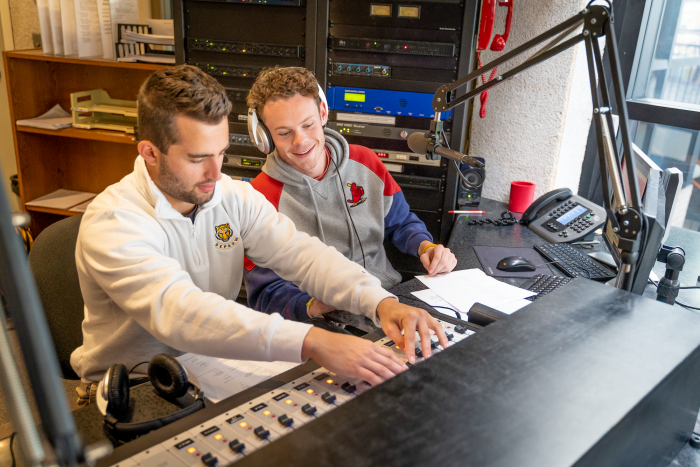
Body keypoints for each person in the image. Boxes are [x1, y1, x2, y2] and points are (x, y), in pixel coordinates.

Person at [70, 65, 448, 406]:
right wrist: (311, 341)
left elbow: (303, 255)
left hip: (213, 369)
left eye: (220, 153)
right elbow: (180, 312)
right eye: (198, 158)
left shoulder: (232, 196)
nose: (215, 174)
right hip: (133, 388)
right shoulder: (114, 223)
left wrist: (380, 302)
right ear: (150, 153)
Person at [243, 67, 457, 321]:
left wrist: (426, 246)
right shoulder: (256, 199)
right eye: (284, 133)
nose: (300, 140)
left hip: (389, 298)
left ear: (323, 113)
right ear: (264, 137)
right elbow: (265, 293)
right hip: (322, 320)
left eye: (308, 124)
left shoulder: (365, 160)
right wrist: (311, 306)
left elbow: (400, 223)